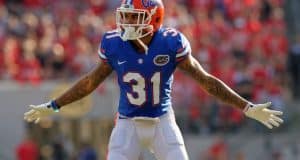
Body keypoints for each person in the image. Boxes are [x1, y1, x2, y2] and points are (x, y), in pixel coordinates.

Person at [24, 0, 284, 159]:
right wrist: (54, 105)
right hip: (126, 124)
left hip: (162, 122)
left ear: (154, 19)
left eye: (133, 17)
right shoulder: (114, 43)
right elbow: (90, 82)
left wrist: (246, 107)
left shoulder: (171, 42)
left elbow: (206, 81)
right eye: (124, 16)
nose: (125, 22)